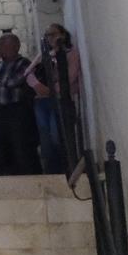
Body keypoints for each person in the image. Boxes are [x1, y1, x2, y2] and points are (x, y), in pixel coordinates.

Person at [0, 33, 40, 176]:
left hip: (15, 110)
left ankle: (27, 177)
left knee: (19, 146)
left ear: (15, 47)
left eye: (2, 45)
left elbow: (15, 82)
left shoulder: (23, 63)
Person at [27, 23, 82, 176]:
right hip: (41, 101)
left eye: (53, 34)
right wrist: (37, 85)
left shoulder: (71, 54)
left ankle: (66, 169)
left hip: (60, 99)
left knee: (58, 135)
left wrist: (51, 89)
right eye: (47, 35)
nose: (50, 38)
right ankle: (51, 172)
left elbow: (70, 77)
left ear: (63, 35)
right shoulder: (44, 55)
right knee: (46, 140)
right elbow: (28, 72)